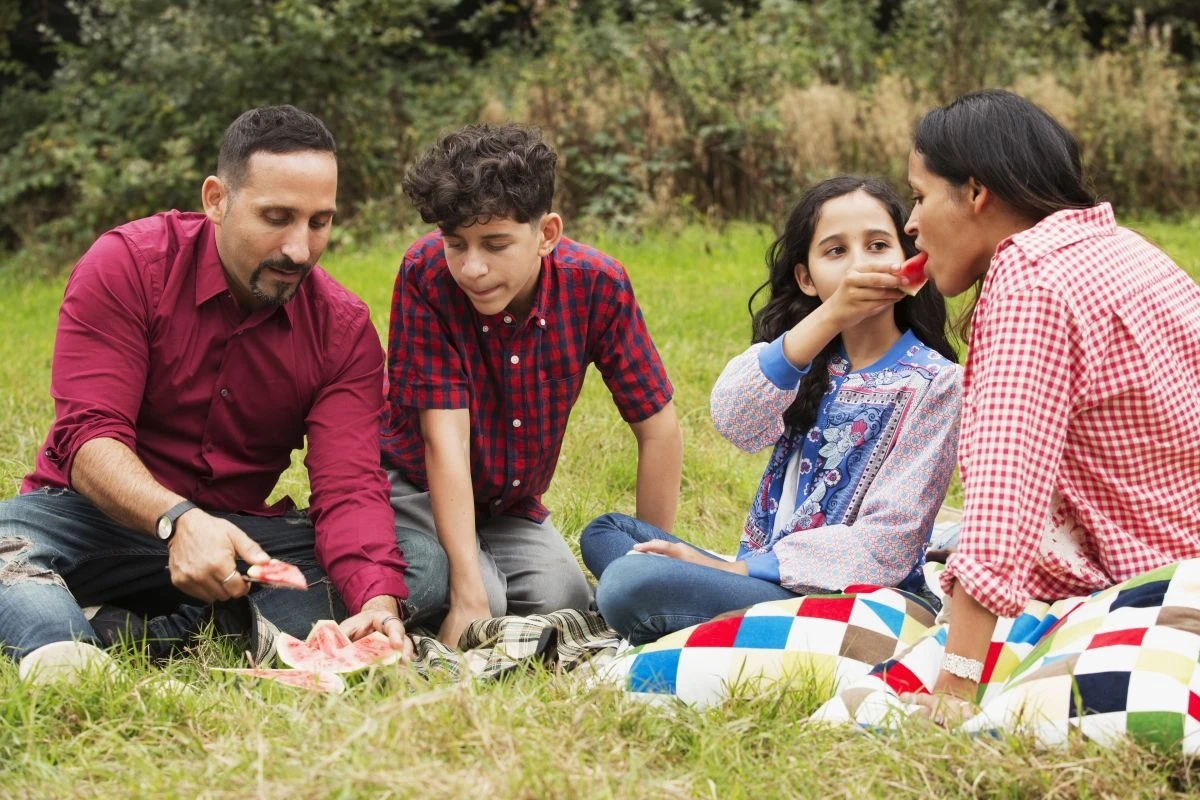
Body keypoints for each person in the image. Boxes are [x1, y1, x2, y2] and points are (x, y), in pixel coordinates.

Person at [0, 105, 420, 681]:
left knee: (416, 566)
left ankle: (131, 630)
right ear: (216, 200)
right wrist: (178, 520)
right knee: (7, 544)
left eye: (319, 222)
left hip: (239, 537)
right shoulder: (128, 265)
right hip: (93, 520)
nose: (299, 250)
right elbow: (89, 437)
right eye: (276, 217)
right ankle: (69, 653)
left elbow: (348, 486)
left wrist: (376, 601)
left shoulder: (342, 330)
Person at [883, 89, 1200, 724]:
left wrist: (954, 686)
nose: (910, 224)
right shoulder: (1128, 249)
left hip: (1141, 588)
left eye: (919, 196)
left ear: (976, 193)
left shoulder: (1030, 282)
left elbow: (1004, 500)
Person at [580, 176, 963, 644]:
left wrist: (734, 569)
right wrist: (830, 317)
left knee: (626, 583)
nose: (859, 264)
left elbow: (888, 543)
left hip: (846, 597)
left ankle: (683, 603)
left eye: (878, 245)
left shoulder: (938, 383)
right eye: (836, 251)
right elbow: (733, 420)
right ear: (806, 278)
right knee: (606, 532)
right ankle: (695, 604)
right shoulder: (803, 356)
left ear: (908, 260)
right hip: (757, 577)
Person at [380, 123, 683, 647]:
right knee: (484, 604)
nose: (472, 268)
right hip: (417, 485)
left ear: (546, 234)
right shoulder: (425, 275)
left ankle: (478, 570)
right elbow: (443, 442)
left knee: (563, 599)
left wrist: (652, 572)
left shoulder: (598, 284)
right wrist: (469, 595)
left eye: (496, 244)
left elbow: (659, 429)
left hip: (508, 505)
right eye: (456, 245)